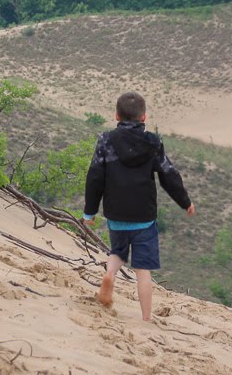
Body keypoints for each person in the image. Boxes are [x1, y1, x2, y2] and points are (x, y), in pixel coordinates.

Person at [83, 92, 195, 321]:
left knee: (117, 253)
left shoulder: (106, 140)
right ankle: (146, 318)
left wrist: (90, 211)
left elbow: (95, 176)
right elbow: (168, 174)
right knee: (143, 271)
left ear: (116, 115)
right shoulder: (153, 142)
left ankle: (110, 274)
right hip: (144, 216)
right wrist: (185, 201)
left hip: (116, 213)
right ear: (144, 117)